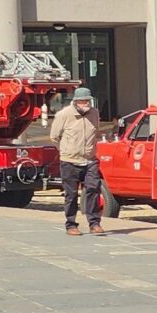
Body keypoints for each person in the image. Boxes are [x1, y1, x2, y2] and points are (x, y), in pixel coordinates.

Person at [48, 89, 103, 236]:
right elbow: (54, 137)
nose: (87, 104)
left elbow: (95, 131)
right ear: (76, 102)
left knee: (93, 188)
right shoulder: (64, 115)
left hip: (90, 159)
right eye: (83, 101)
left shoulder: (94, 113)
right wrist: (65, 150)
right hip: (69, 161)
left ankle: (94, 223)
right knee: (71, 194)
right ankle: (71, 224)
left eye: (88, 101)